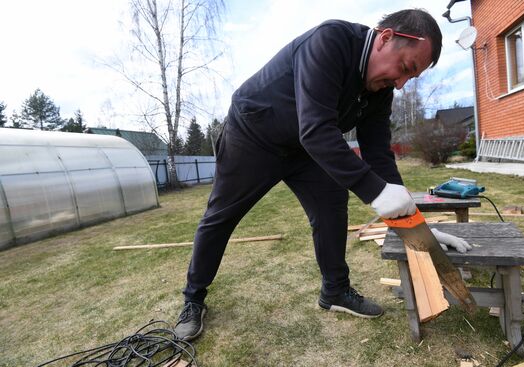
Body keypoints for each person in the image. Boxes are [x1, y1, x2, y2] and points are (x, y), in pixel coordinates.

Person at [175, 8, 458, 341]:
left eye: (411, 78)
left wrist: (415, 224)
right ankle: (194, 298)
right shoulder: (329, 41)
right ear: (386, 38)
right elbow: (317, 129)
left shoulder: (380, 90)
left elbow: (379, 154)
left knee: (332, 203)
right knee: (221, 216)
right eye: (406, 68)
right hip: (253, 135)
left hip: (304, 146)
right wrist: (375, 192)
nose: (400, 83)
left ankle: (335, 291)